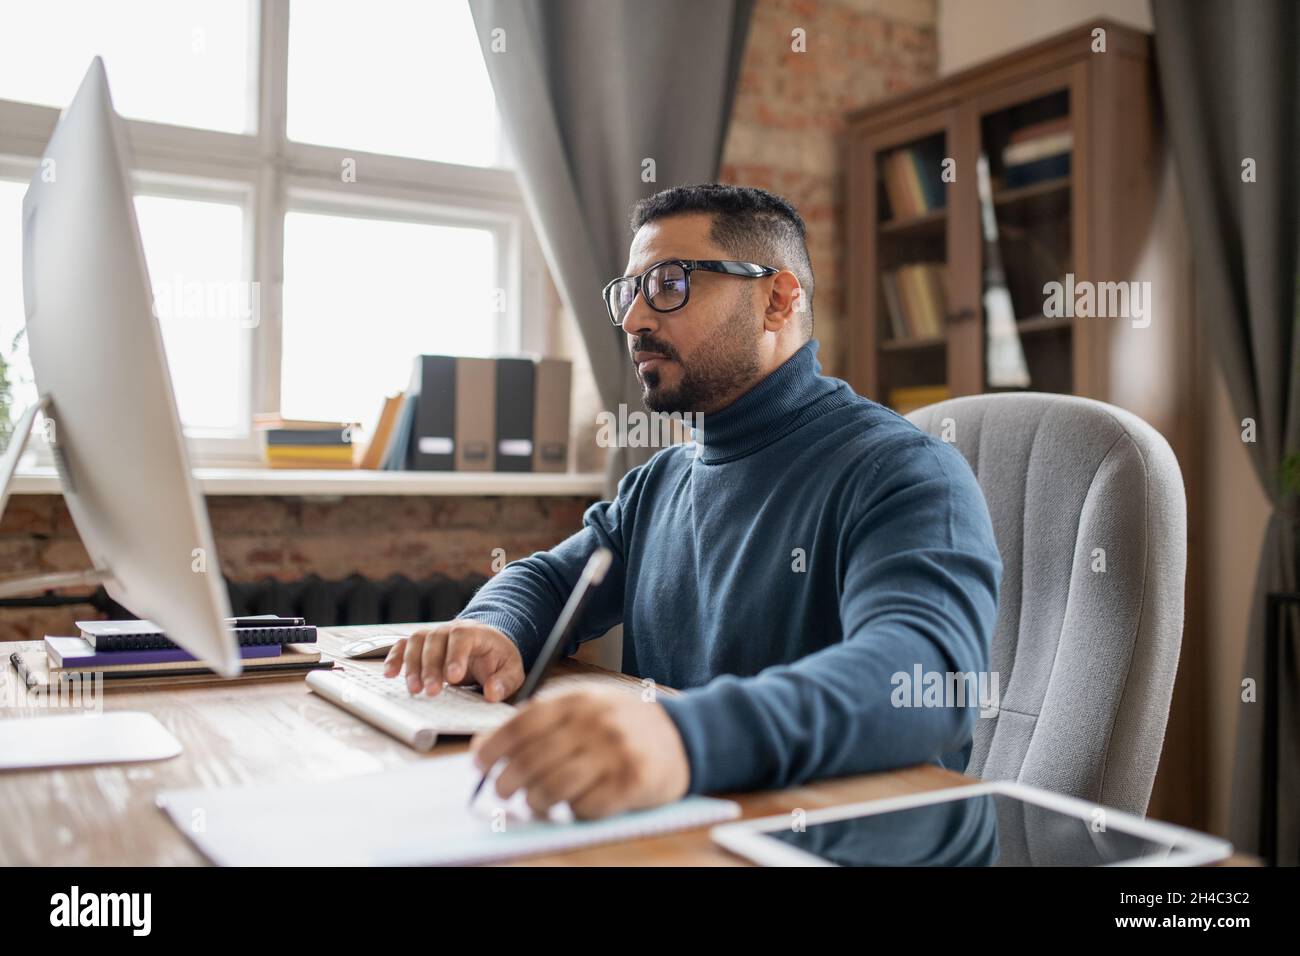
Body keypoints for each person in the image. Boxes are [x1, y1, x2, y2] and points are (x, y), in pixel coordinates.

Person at [384, 183, 1002, 819]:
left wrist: (685, 736)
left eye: (670, 285)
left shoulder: (904, 471)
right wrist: (494, 626)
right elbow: (547, 581)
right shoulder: (659, 484)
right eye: (629, 293)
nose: (634, 320)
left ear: (776, 300)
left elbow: (925, 682)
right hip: (685, 825)